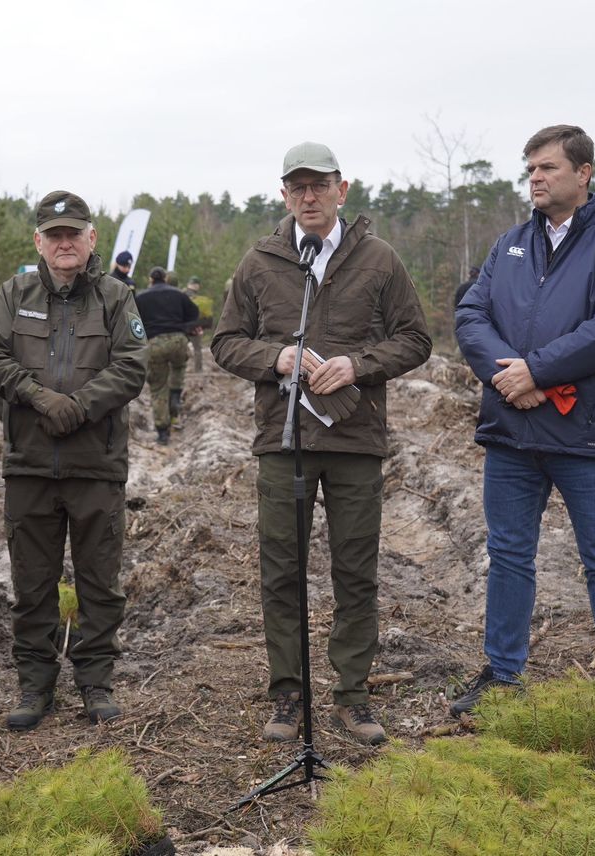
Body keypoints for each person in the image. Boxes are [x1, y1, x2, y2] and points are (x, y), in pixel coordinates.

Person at [212, 142, 431, 746]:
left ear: (342, 188)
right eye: (297, 187)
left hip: (355, 440)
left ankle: (353, 694)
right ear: (283, 195)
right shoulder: (260, 263)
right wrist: (275, 357)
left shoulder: (380, 260)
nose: (309, 196)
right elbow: (226, 342)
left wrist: (358, 365)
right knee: (282, 570)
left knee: (355, 571)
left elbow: (415, 339)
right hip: (284, 443)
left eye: (320, 185)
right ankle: (287, 692)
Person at [452, 125, 595, 740]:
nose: (536, 179)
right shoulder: (510, 244)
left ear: (584, 172)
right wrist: (509, 376)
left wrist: (539, 370)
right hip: (513, 431)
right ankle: (502, 673)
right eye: (530, 170)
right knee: (509, 556)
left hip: (586, 434)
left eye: (547, 168)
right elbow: (470, 314)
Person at [0, 190, 147, 731]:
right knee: (32, 582)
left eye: (74, 233)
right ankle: (35, 685)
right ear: (39, 243)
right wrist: (38, 397)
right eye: (55, 235)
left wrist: (77, 407)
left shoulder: (116, 297)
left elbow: (132, 367)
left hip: (96, 466)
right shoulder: (14, 292)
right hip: (29, 465)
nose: (65, 243)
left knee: (100, 581)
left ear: (92, 237)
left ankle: (96, 681)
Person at [134, 266, 199, 444]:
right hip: (178, 340)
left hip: (154, 343)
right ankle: (176, 395)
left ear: (150, 279)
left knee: (158, 388)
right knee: (179, 366)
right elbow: (194, 314)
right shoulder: (179, 294)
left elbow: (132, 322)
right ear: (165, 278)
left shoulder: (140, 297)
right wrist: (185, 329)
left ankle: (163, 433)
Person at [185, 276, 214, 372]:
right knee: (197, 349)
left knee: (181, 347)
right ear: (197, 285)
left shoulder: (181, 294)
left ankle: (181, 368)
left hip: (181, 326)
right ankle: (198, 370)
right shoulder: (199, 299)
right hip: (194, 327)